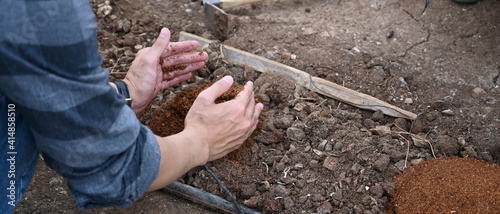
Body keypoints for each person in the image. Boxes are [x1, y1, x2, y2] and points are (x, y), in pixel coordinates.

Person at [0, 0, 263, 212]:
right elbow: (110, 166)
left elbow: (28, 86)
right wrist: (201, 141)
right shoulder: (36, 10)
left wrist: (127, 92)